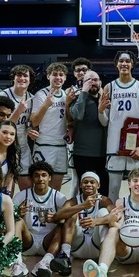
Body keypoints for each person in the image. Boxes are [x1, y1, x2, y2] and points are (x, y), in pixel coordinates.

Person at [99, 50, 139, 202]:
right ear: (116, 64)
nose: (124, 64)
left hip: (135, 149)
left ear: (132, 64)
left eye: (127, 61)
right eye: (121, 61)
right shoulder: (109, 87)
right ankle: (112, 223)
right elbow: (104, 121)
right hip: (114, 148)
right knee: (113, 191)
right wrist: (100, 111)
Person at [10, 161, 68, 277]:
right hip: (28, 240)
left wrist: (57, 217)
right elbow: (8, 220)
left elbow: (69, 219)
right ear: (31, 178)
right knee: (18, 221)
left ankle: (45, 262)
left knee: (61, 226)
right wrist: (16, 213)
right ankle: (18, 263)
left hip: (48, 242)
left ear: (50, 178)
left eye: (44, 175)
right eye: (36, 175)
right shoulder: (21, 196)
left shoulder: (58, 197)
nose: (40, 178)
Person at [53, 172, 117, 267]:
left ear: (98, 185)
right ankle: (65, 256)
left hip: (97, 246)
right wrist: (83, 206)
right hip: (78, 245)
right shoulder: (73, 201)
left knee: (103, 212)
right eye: (85, 182)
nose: (88, 185)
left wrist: (96, 221)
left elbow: (116, 216)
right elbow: (57, 216)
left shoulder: (104, 200)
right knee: (70, 213)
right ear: (80, 185)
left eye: (92, 182)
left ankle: (104, 261)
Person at [69, 70, 108, 196]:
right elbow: (78, 116)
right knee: (85, 192)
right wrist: (84, 92)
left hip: (102, 154)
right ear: (82, 83)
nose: (93, 83)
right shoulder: (76, 99)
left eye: (95, 80)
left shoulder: (105, 100)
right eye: (88, 80)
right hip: (82, 154)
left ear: (100, 83)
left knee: (103, 191)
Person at [0, 65, 37, 191]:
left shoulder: (31, 97)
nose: (22, 78)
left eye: (25, 75)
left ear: (30, 79)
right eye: (19, 75)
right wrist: (18, 111)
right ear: (13, 78)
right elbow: (2, 127)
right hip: (5, 147)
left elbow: (28, 122)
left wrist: (30, 130)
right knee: (5, 187)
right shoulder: (3, 96)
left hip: (22, 147)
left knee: (26, 187)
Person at [31, 62, 69, 191]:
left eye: (61, 75)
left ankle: (53, 210)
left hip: (61, 145)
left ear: (65, 78)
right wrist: (46, 105)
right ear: (48, 76)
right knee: (40, 185)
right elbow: (34, 122)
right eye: (55, 74)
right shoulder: (40, 95)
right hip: (44, 145)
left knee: (57, 186)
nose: (58, 77)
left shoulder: (66, 95)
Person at [64, 57, 93, 195]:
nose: (81, 72)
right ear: (74, 74)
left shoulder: (97, 88)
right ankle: (73, 213)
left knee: (93, 177)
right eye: (78, 70)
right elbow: (68, 118)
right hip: (76, 138)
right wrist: (67, 104)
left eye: (84, 70)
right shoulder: (69, 91)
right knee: (76, 179)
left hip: (93, 138)